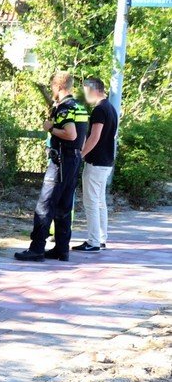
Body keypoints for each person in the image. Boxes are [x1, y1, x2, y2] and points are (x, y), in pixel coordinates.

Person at [15, 71, 89, 262]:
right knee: (64, 205)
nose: (52, 91)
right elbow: (81, 136)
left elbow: (70, 134)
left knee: (44, 205)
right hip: (74, 160)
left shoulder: (64, 108)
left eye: (52, 88)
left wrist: (50, 127)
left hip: (61, 161)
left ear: (58, 87)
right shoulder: (80, 107)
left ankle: (37, 248)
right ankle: (61, 249)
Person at [74, 77, 119, 253]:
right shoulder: (110, 108)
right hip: (106, 162)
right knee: (100, 202)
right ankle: (100, 238)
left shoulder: (100, 110)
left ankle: (93, 242)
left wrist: (81, 154)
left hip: (96, 162)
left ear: (93, 90)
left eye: (86, 91)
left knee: (91, 202)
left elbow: (94, 136)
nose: (85, 95)